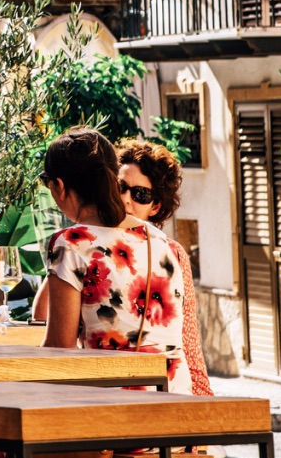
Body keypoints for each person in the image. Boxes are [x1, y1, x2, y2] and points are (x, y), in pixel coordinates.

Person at [40, 129, 194, 393]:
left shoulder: (71, 242)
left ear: (59, 186)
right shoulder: (161, 241)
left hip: (115, 398)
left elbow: (58, 348)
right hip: (175, 393)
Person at [116, 139, 213, 396]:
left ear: (155, 206)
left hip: (166, 391)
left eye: (140, 194)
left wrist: (203, 407)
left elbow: (188, 339)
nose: (126, 199)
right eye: (120, 187)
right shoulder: (84, 246)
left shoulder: (173, 254)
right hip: (105, 393)